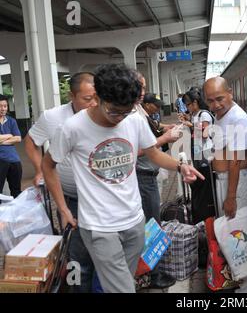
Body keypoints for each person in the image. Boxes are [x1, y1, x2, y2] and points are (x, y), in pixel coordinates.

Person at [41, 64, 204, 293]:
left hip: (134, 222)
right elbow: (47, 165)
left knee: (123, 280)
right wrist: (64, 209)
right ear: (97, 97)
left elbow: (153, 153)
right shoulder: (72, 128)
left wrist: (180, 166)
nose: (119, 118)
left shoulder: (134, 119)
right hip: (99, 226)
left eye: (125, 112)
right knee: (123, 289)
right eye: (114, 111)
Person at [24, 72, 97, 293]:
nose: (93, 103)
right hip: (71, 199)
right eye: (87, 98)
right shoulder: (53, 117)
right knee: (77, 255)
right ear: (71, 95)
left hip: (101, 199)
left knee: (104, 254)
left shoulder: (103, 114)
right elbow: (31, 141)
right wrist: (40, 170)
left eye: (97, 97)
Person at [203, 76, 247, 293]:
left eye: (219, 98)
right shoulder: (221, 115)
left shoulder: (236, 118)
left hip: (236, 182)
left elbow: (235, 161)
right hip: (227, 180)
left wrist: (231, 197)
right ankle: (239, 284)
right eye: (210, 101)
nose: (215, 104)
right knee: (232, 236)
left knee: (240, 238)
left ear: (230, 93)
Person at [135, 75, 178, 289]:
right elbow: (138, 150)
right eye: (139, 87)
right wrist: (164, 140)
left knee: (152, 223)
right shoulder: (130, 115)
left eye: (144, 87)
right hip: (142, 177)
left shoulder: (138, 112)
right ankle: (154, 275)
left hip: (146, 176)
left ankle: (149, 272)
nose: (143, 91)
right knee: (152, 224)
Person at [180, 89, 215, 224]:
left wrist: (191, 125)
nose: (187, 108)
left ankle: (207, 211)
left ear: (195, 102)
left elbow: (205, 134)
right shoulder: (196, 114)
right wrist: (188, 120)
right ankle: (201, 212)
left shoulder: (204, 114)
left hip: (206, 153)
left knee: (205, 181)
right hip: (198, 152)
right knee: (200, 180)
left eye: (188, 105)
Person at [0, 94, 22, 198]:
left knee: (16, 192)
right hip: (1, 160)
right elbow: (14, 137)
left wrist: (2, 140)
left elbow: (18, 138)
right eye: (0, 106)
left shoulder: (12, 121)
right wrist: (9, 135)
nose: (3, 109)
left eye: (5, 106)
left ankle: (16, 213)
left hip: (14, 160)